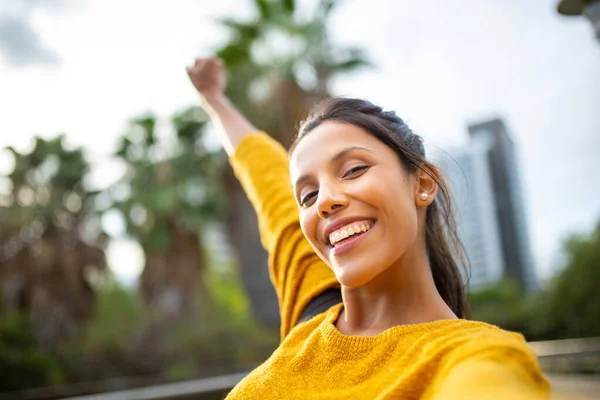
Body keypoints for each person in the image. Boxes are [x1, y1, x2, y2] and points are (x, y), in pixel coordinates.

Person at [186, 57, 550, 399]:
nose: (325, 200)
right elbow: (264, 173)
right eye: (308, 194)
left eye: (354, 170)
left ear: (422, 183)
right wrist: (213, 98)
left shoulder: (475, 358)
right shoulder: (312, 296)